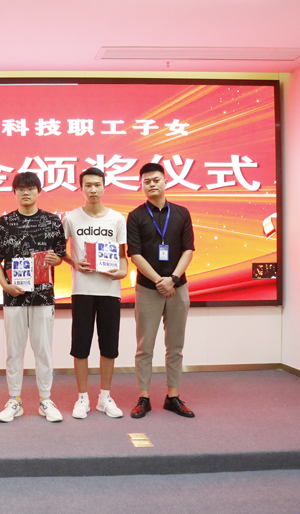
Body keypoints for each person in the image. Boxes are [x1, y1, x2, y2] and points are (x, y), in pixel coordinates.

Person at [0, 172, 67, 423]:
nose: (25, 192)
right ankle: (14, 400)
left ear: (38, 191)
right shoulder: (3, 223)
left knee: (43, 350)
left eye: (30, 188)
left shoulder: (52, 221)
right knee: (14, 351)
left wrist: (56, 259)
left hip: (43, 296)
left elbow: (60, 255)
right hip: (14, 296)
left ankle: (45, 400)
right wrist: (5, 286)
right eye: (21, 188)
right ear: (15, 193)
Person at [126, 162, 196, 419]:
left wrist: (173, 279)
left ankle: (172, 396)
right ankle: (143, 398)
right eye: (146, 181)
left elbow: (188, 250)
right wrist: (159, 281)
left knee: (175, 346)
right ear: (141, 185)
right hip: (148, 288)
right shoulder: (135, 216)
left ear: (166, 181)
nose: (152, 184)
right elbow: (135, 254)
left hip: (179, 287)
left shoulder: (181, 213)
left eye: (156, 179)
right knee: (144, 347)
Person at [62, 167, 128, 419]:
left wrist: (122, 272)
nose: (93, 190)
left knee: (109, 346)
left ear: (104, 187)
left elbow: (123, 258)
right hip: (82, 290)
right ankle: (82, 397)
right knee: (80, 346)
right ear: (80, 188)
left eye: (97, 185)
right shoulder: (71, 218)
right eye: (88, 185)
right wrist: (73, 262)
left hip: (110, 290)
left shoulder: (117, 219)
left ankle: (105, 397)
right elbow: (59, 250)